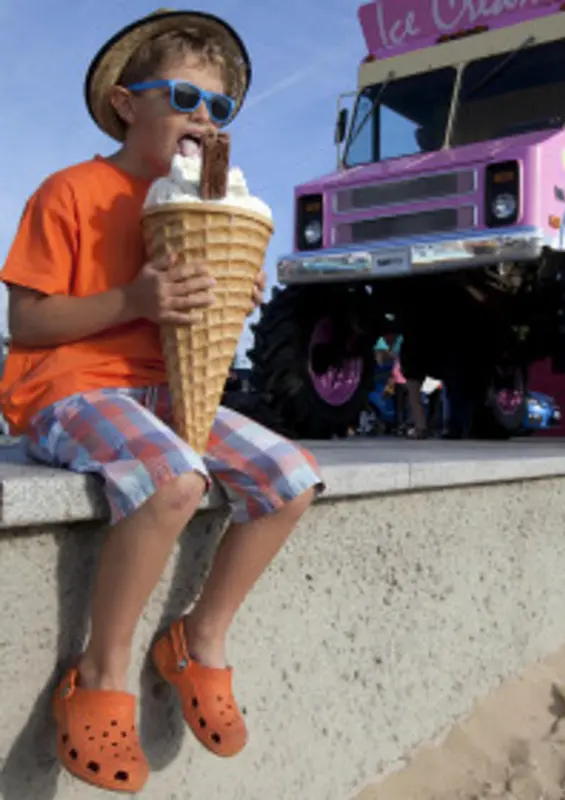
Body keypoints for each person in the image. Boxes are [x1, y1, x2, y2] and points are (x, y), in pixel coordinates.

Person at [0, 10, 323, 793]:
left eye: (219, 109)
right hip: (68, 384)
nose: (203, 120)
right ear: (124, 103)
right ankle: (100, 673)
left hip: (167, 388)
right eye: (183, 97)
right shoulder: (71, 191)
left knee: (291, 476)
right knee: (175, 478)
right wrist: (135, 299)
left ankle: (197, 639)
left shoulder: (200, 210)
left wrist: (226, 298)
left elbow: (191, 325)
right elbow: (26, 322)